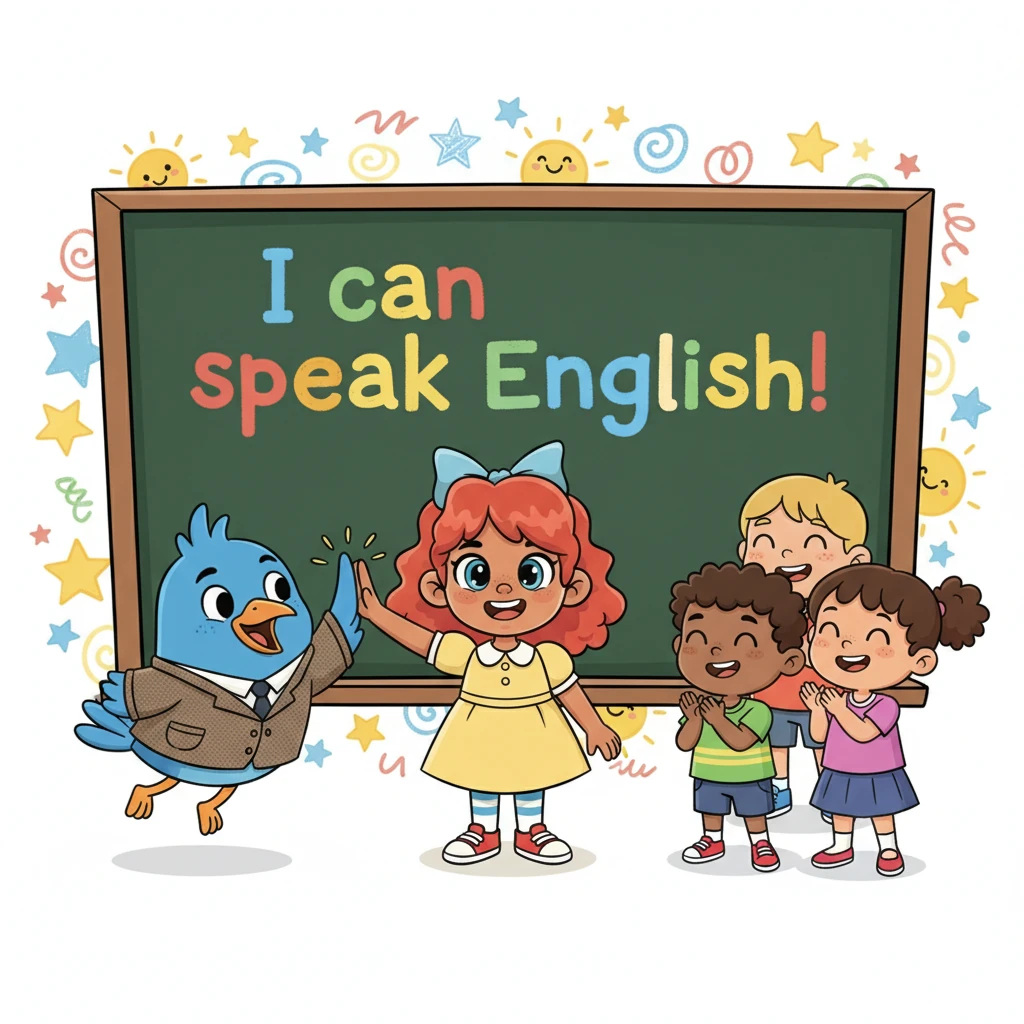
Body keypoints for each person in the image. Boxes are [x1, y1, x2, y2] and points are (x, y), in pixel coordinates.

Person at [354, 441, 625, 866]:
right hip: (478, 733)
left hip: (536, 734)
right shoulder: (466, 653)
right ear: (436, 587)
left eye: (530, 573)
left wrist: (595, 727)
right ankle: (482, 830)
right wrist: (377, 614)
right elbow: (422, 642)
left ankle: (531, 830)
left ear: (572, 588)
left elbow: (570, 692)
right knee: (481, 775)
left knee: (532, 776)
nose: (503, 590)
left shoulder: (548, 659)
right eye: (475, 573)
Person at [802, 565, 988, 875]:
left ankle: (888, 847)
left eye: (874, 637)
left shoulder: (885, 704)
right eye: (830, 632)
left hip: (878, 770)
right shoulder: (839, 700)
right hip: (838, 767)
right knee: (839, 810)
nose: (847, 645)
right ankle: (841, 845)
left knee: (881, 811)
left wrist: (837, 709)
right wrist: (818, 710)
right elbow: (819, 737)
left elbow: (863, 733)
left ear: (921, 661)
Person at [737, 473, 871, 818]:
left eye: (812, 543)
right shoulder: (761, 615)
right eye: (764, 541)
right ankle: (778, 789)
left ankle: (829, 789)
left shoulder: (840, 615)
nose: (785, 554)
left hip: (827, 697)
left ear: (855, 560)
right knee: (776, 746)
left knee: (824, 745)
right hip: (771, 696)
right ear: (745, 554)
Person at [672, 562, 807, 872]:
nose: (716, 650)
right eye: (699, 640)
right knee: (710, 810)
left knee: (754, 812)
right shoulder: (703, 705)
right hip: (708, 773)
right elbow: (684, 743)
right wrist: (693, 718)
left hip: (750, 776)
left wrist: (717, 718)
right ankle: (711, 840)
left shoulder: (757, 709)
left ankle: (760, 843)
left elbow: (742, 742)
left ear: (787, 661)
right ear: (680, 646)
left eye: (744, 642)